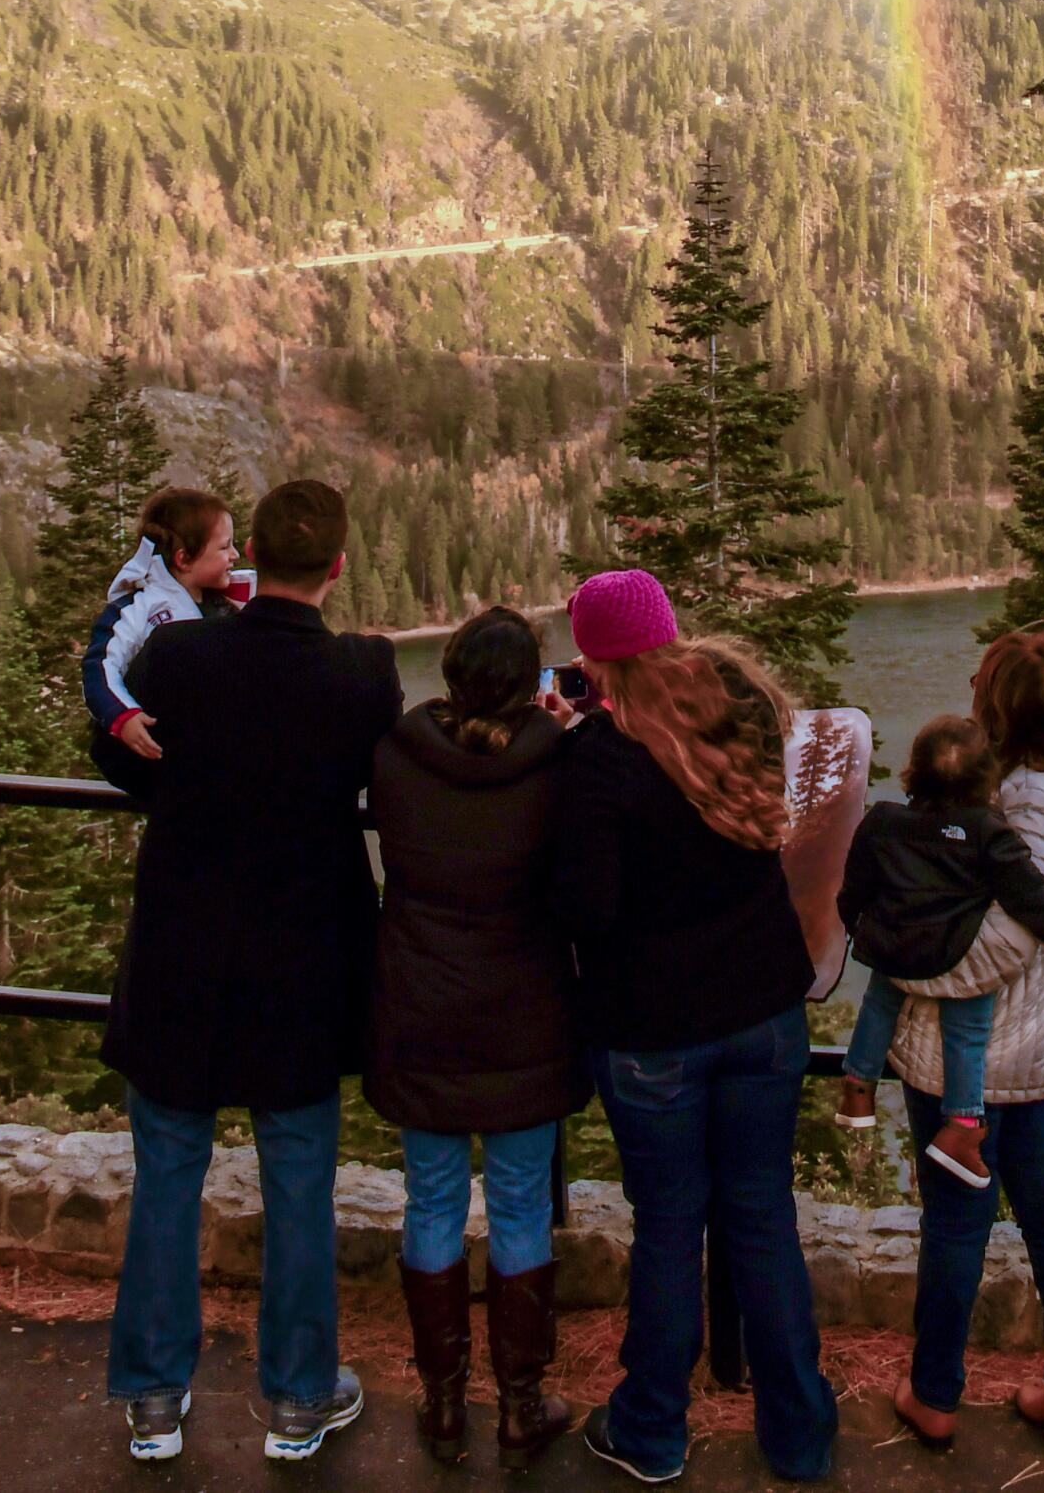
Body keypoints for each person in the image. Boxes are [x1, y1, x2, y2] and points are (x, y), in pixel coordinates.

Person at [101, 477, 402, 1467]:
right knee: (301, 1187)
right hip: (301, 974)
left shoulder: (180, 653)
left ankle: (152, 1394)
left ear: (246, 561)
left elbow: (127, 744)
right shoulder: (363, 672)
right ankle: (298, 1397)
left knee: (166, 1179)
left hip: (181, 961)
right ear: (338, 565)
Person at [552, 568, 836, 1488]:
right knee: (762, 1217)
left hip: (656, 1030)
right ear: (668, 630)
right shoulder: (741, 708)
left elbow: (587, 908)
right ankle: (799, 1433)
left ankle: (652, 1429)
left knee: (670, 1225)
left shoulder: (600, 755)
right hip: (764, 1007)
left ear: (593, 658)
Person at [366, 604, 586, 1471]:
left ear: (451, 676)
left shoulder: (395, 758)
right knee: (525, 1204)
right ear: (532, 683)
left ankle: (445, 1399)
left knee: (430, 1200)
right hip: (523, 1008)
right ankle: (522, 1404)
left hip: (421, 1004)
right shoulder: (556, 766)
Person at [882, 633, 1044, 1456]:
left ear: (1007, 705)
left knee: (958, 1223)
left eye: (985, 677)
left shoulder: (1031, 799)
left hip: (981, 1056)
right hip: (1033, 1049)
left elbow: (1013, 938)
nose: (971, 679)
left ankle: (936, 1394)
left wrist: (916, 977)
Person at [834, 712, 1044, 1187]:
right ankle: (962, 1126)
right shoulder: (988, 833)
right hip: (954, 953)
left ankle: (857, 1088)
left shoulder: (883, 821)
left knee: (879, 1002)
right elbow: (1028, 892)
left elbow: (853, 889)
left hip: (896, 951)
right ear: (988, 777)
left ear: (912, 771)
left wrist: (858, 924)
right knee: (967, 1025)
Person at [83, 486, 237, 764]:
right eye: (225, 547)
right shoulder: (136, 610)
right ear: (183, 558)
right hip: (156, 750)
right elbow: (101, 668)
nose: (235, 555)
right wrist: (122, 715)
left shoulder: (227, 607)